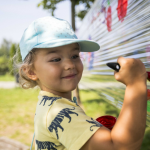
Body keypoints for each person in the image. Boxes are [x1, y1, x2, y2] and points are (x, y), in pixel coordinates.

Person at [17, 16, 147, 150]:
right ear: (31, 72)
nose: (69, 64)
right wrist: (136, 85)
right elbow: (119, 147)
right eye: (56, 59)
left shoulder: (47, 105)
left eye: (74, 56)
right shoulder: (58, 112)